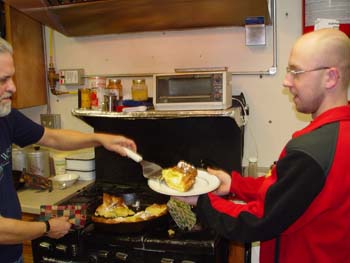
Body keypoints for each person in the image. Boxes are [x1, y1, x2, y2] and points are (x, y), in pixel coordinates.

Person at [176, 28, 350, 263]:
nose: (287, 82)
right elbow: (287, 192)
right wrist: (234, 184)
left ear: (330, 77)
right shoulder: (337, 136)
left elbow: (259, 221)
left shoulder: (311, 152)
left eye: (296, 72)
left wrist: (202, 201)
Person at [0, 37, 137, 263]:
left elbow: (52, 137)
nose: (13, 87)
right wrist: (45, 227)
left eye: (12, 77)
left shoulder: (5, 116)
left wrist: (100, 139)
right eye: (3, 79)